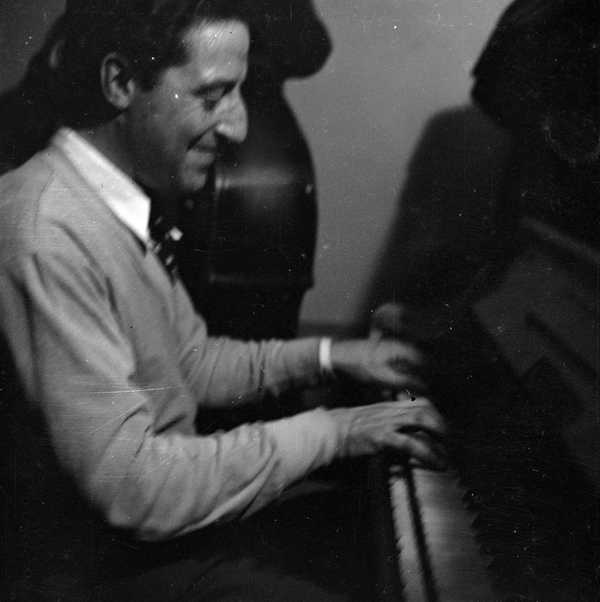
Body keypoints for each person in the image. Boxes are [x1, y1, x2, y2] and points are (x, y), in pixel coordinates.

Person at [0, 1, 446, 600]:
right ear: (121, 83)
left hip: (151, 541)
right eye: (214, 96)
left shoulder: (111, 201)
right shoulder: (45, 231)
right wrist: (336, 431)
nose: (237, 126)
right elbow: (135, 491)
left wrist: (332, 357)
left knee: (363, 525)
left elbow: (191, 365)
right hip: (99, 572)